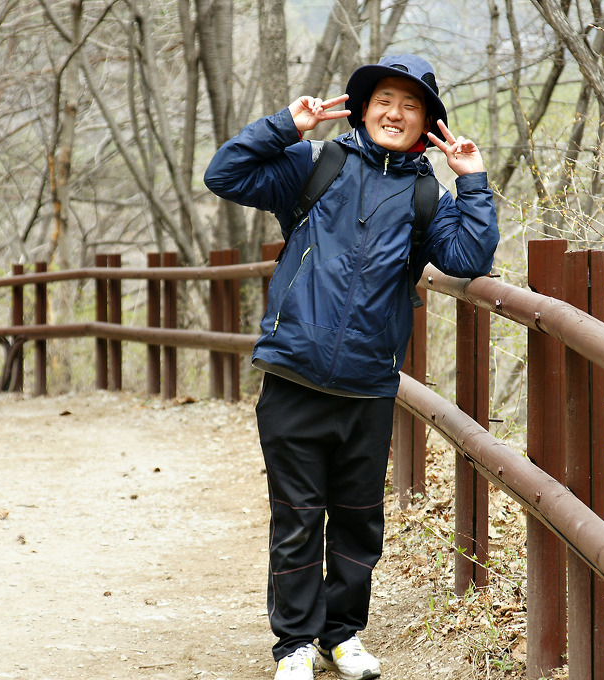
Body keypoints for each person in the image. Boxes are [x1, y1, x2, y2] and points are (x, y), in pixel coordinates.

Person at [203, 54, 499, 680]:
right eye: (384, 100)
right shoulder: (317, 164)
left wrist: (471, 181)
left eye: (411, 105)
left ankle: (341, 636)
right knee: (297, 518)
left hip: (368, 384)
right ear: (363, 109)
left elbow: (470, 258)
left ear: (426, 124)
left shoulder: (426, 194)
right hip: (294, 374)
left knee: (359, 521)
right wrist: (284, 126)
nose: (395, 113)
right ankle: (293, 644)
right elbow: (223, 173)